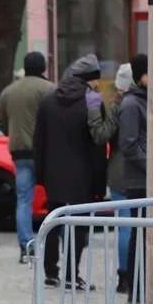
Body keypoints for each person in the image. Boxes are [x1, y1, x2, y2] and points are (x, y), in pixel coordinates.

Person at [33, 54, 112, 290]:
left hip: (53, 175)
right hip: (82, 177)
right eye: (95, 79)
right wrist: (99, 184)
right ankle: (70, 275)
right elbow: (97, 147)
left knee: (53, 223)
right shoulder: (93, 101)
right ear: (87, 79)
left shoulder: (48, 100)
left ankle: (50, 273)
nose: (98, 84)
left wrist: (42, 175)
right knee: (78, 228)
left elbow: (39, 142)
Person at [0, 51, 55, 263]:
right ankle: (56, 244)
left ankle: (25, 246)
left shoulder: (9, 91)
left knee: (23, 200)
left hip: (19, 152)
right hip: (46, 153)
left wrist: (13, 133)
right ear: (42, 69)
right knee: (55, 199)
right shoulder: (49, 89)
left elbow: (0, 122)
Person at [119, 54, 150, 298]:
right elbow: (128, 144)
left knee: (151, 235)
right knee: (139, 234)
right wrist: (152, 168)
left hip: (149, 178)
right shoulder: (131, 104)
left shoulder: (148, 100)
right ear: (142, 76)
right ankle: (136, 288)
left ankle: (144, 286)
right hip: (139, 180)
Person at [107, 63, 133, 295]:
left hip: (116, 171)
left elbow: (105, 135)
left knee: (124, 226)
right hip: (136, 172)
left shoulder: (115, 105)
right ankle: (133, 274)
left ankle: (123, 275)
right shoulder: (140, 103)